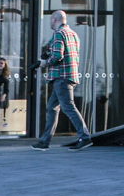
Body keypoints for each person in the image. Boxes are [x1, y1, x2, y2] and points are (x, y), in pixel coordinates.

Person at [35, 10, 93, 150]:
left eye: (50, 19)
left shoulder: (58, 34)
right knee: (52, 108)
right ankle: (44, 141)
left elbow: (56, 56)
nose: (50, 22)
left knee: (68, 107)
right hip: (70, 75)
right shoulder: (73, 34)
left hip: (61, 76)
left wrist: (44, 63)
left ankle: (85, 137)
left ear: (54, 19)